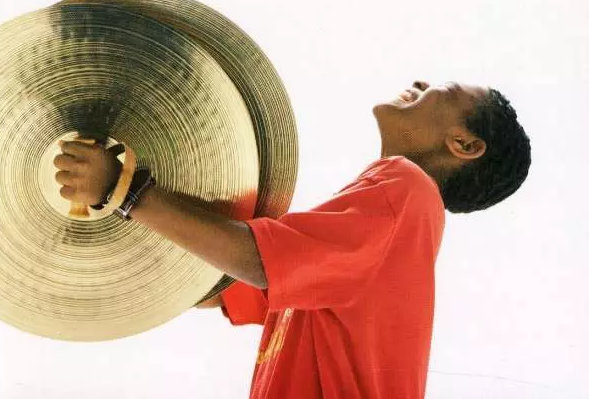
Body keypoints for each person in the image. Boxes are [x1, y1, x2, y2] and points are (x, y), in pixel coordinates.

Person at [53, 80, 531, 399]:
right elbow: (215, 284)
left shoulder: (407, 191)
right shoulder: (379, 229)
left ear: (464, 145)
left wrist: (124, 191)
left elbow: (255, 261)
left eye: (444, 90)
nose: (421, 83)